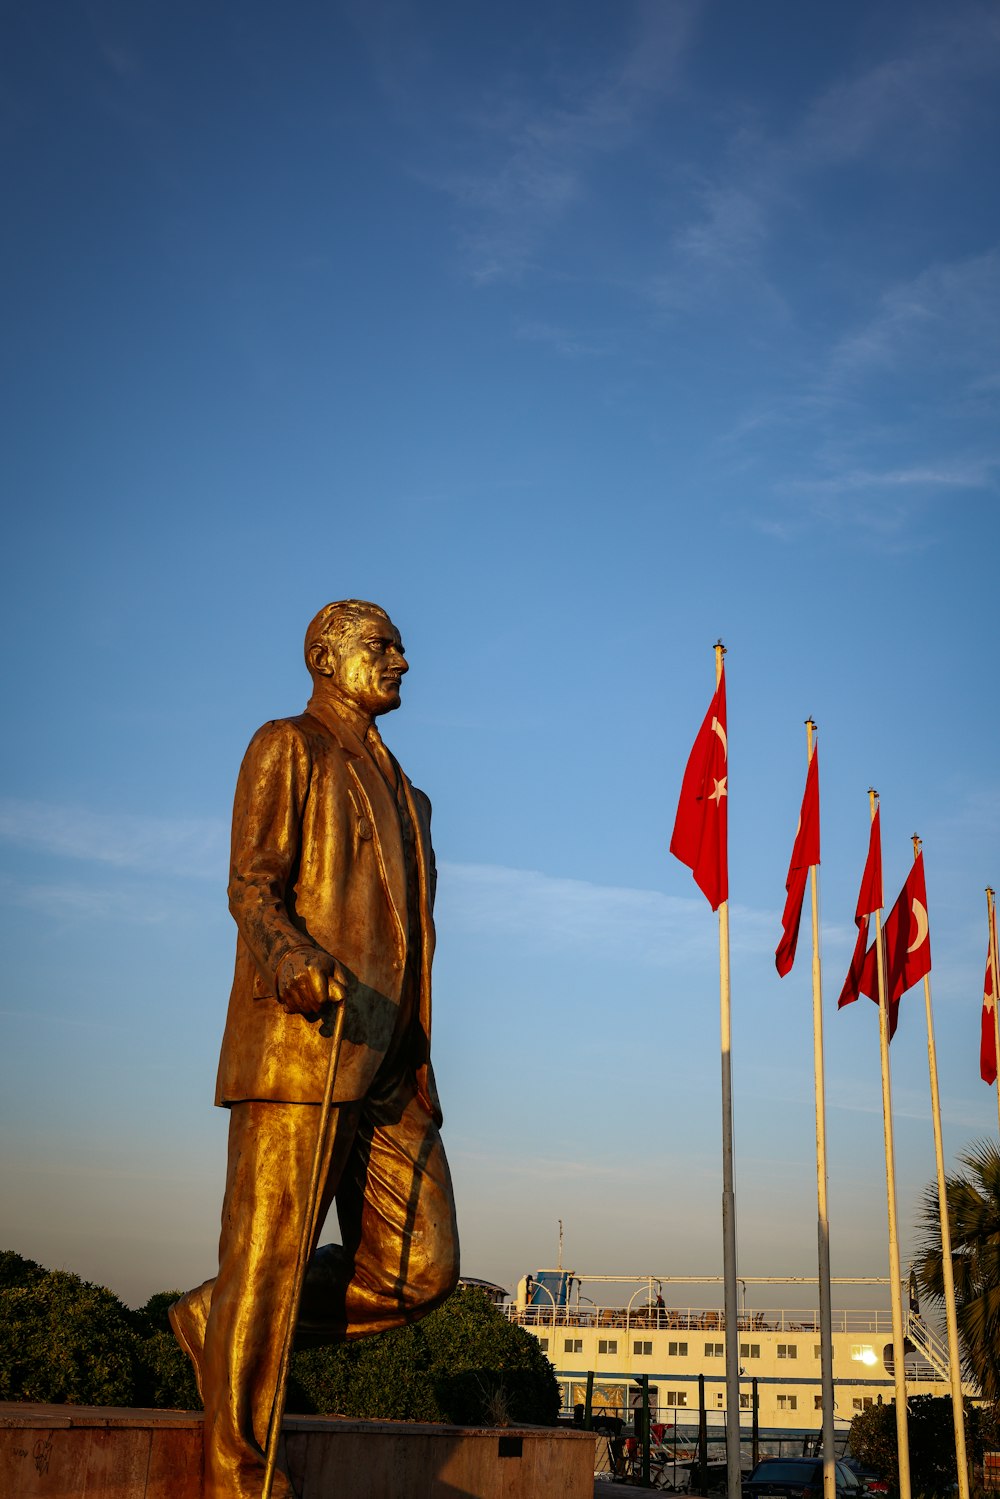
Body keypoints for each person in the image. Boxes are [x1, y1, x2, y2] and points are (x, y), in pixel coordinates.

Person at [170, 599, 460, 1499]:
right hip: (306, 1038)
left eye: (401, 647)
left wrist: (414, 1044)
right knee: (274, 1252)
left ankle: (223, 1317)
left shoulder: (410, 795)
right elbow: (251, 883)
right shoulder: (285, 744)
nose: (402, 660)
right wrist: (288, 953)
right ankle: (238, 1472)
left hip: (392, 1063)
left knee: (422, 1270)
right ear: (326, 657)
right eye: (382, 645)